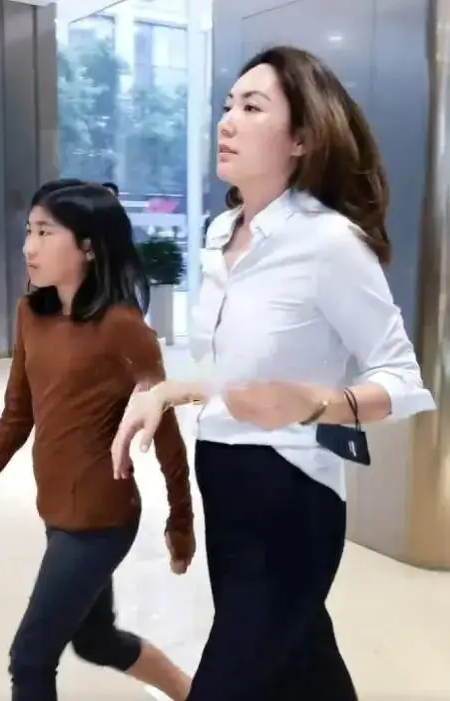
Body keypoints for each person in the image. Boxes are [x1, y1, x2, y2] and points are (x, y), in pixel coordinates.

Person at [111, 45, 436, 700]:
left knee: (233, 674)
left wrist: (315, 401)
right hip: (223, 478)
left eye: (252, 107)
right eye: (227, 105)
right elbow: (231, 369)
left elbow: (403, 378)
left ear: (301, 138)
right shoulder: (220, 234)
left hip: (292, 494)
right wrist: (168, 390)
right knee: (303, 663)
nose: (227, 121)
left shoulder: (328, 242)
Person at [0, 181, 195, 701]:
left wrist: (181, 521)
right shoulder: (32, 314)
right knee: (96, 640)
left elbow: (166, 432)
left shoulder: (123, 328)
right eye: (29, 231)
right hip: (56, 507)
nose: (28, 247)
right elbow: (18, 415)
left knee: (30, 658)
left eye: (45, 232)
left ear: (88, 246)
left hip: (100, 518)